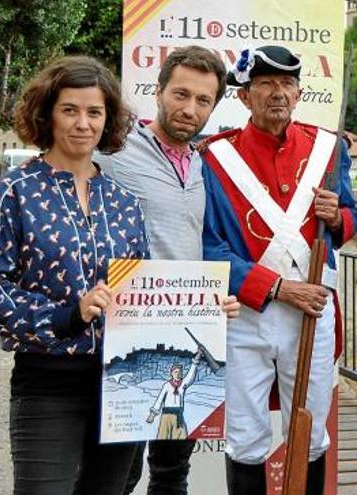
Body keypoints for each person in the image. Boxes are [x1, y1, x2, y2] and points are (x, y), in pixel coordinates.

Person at [0, 56, 148, 494]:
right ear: (47, 113)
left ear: (109, 119)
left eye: (94, 112)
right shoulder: (15, 191)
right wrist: (69, 314)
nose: (83, 123)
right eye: (70, 109)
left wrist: (200, 310)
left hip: (123, 387)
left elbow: (142, 289)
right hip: (48, 384)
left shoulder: (125, 202)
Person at [200, 45, 357, 494]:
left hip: (311, 312)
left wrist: (337, 217)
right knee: (246, 436)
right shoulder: (214, 157)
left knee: (308, 432)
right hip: (246, 312)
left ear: (299, 92)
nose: (278, 93)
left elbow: (349, 218)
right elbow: (209, 246)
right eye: (266, 84)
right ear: (245, 97)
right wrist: (278, 289)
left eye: (287, 84)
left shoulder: (328, 148)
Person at [94, 44, 238, 495]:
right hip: (125, 329)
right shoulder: (112, 150)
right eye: (180, 95)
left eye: (202, 101)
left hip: (190, 326)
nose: (189, 108)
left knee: (173, 471)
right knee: (117, 472)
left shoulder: (205, 163)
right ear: (158, 91)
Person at [146, 354, 201, 440]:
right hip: (166, 416)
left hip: (179, 416)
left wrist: (195, 361)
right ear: (171, 373)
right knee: (163, 439)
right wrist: (152, 415)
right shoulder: (167, 385)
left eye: (180, 372)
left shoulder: (183, 384)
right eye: (176, 372)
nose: (178, 374)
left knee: (182, 439)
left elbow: (190, 377)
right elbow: (159, 400)